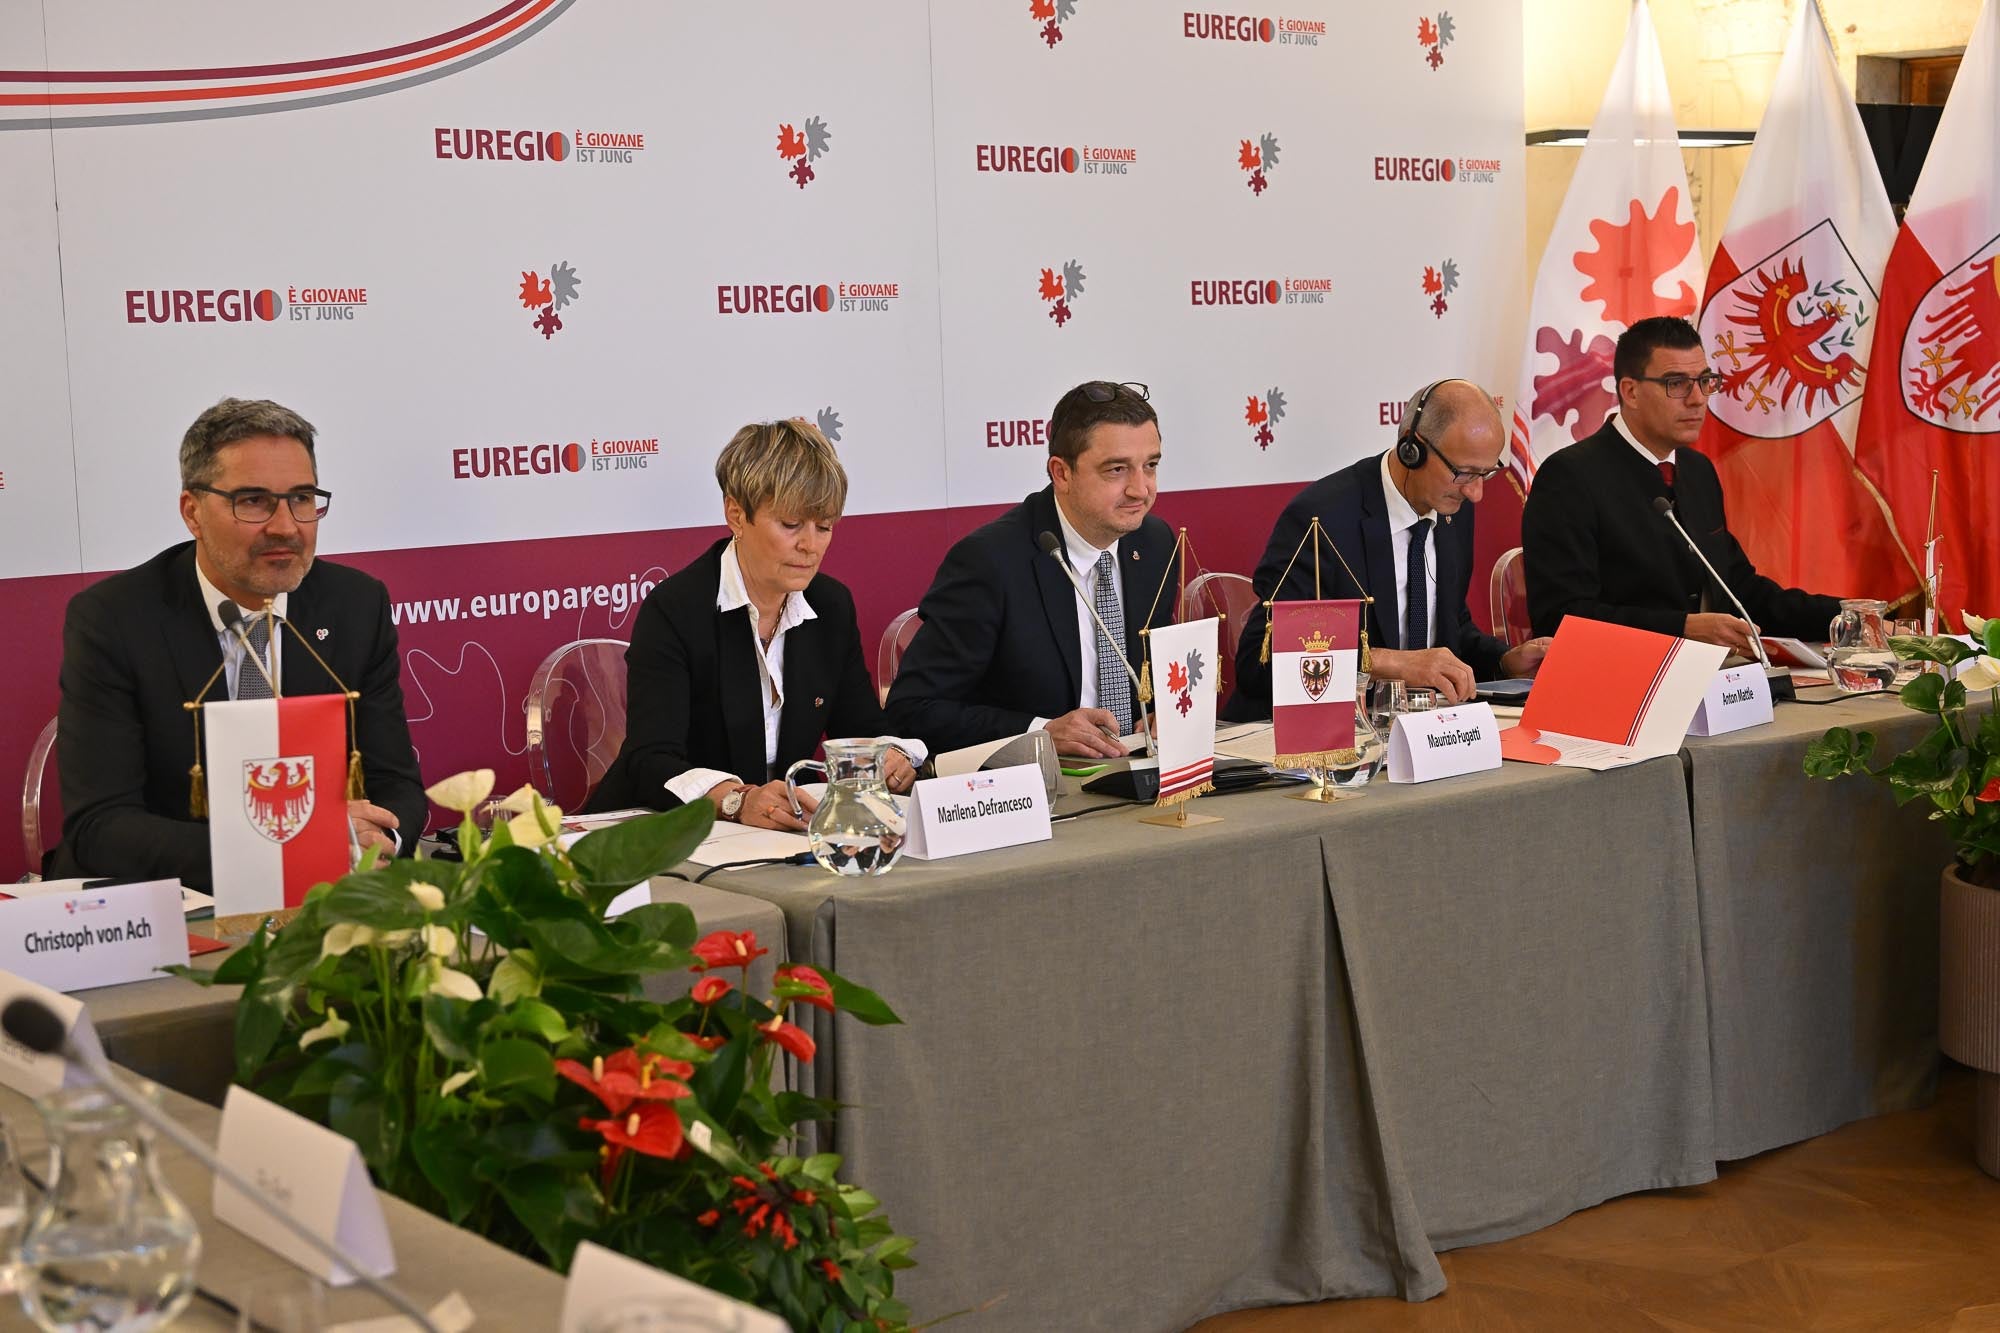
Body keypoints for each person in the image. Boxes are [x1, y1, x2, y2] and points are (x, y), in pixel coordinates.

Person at [51, 397, 426, 888]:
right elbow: (101, 827)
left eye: (302, 498)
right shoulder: (114, 619)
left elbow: (395, 782)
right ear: (193, 512)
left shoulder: (356, 605)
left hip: (327, 893)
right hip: (178, 902)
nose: (286, 527)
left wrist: (379, 842)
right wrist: (281, 851)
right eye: (253, 501)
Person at [587, 420, 922, 829]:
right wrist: (737, 800)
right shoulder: (675, 610)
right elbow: (650, 762)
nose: (810, 545)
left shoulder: (830, 606)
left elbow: (862, 729)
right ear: (736, 514)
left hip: (773, 838)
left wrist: (890, 757)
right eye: (791, 524)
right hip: (657, 835)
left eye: (824, 527)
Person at [885, 380, 1179, 757]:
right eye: (1117, 470)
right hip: (1034, 792)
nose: (1141, 489)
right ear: (1061, 473)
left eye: (1150, 466)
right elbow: (913, 710)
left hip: (1139, 773)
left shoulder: (1154, 544)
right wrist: (1039, 733)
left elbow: (1154, 676)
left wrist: (1164, 713)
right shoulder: (989, 562)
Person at [1226, 379, 1550, 720]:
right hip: (1310, 740)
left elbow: (1450, 629)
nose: (1475, 493)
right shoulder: (1321, 519)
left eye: (1486, 473)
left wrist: (1503, 662)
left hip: (1417, 733)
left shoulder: (1454, 508)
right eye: (1464, 473)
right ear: (1413, 449)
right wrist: (1389, 662)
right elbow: (1262, 661)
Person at [1521, 315, 1842, 651]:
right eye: (1676, 384)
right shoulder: (1569, 477)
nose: (1697, 399)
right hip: (1621, 679)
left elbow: (1739, 590)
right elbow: (1560, 618)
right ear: (1630, 391)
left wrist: (1846, 615)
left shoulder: (1697, 469)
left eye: (1704, 381)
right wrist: (1681, 629)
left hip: (1710, 675)